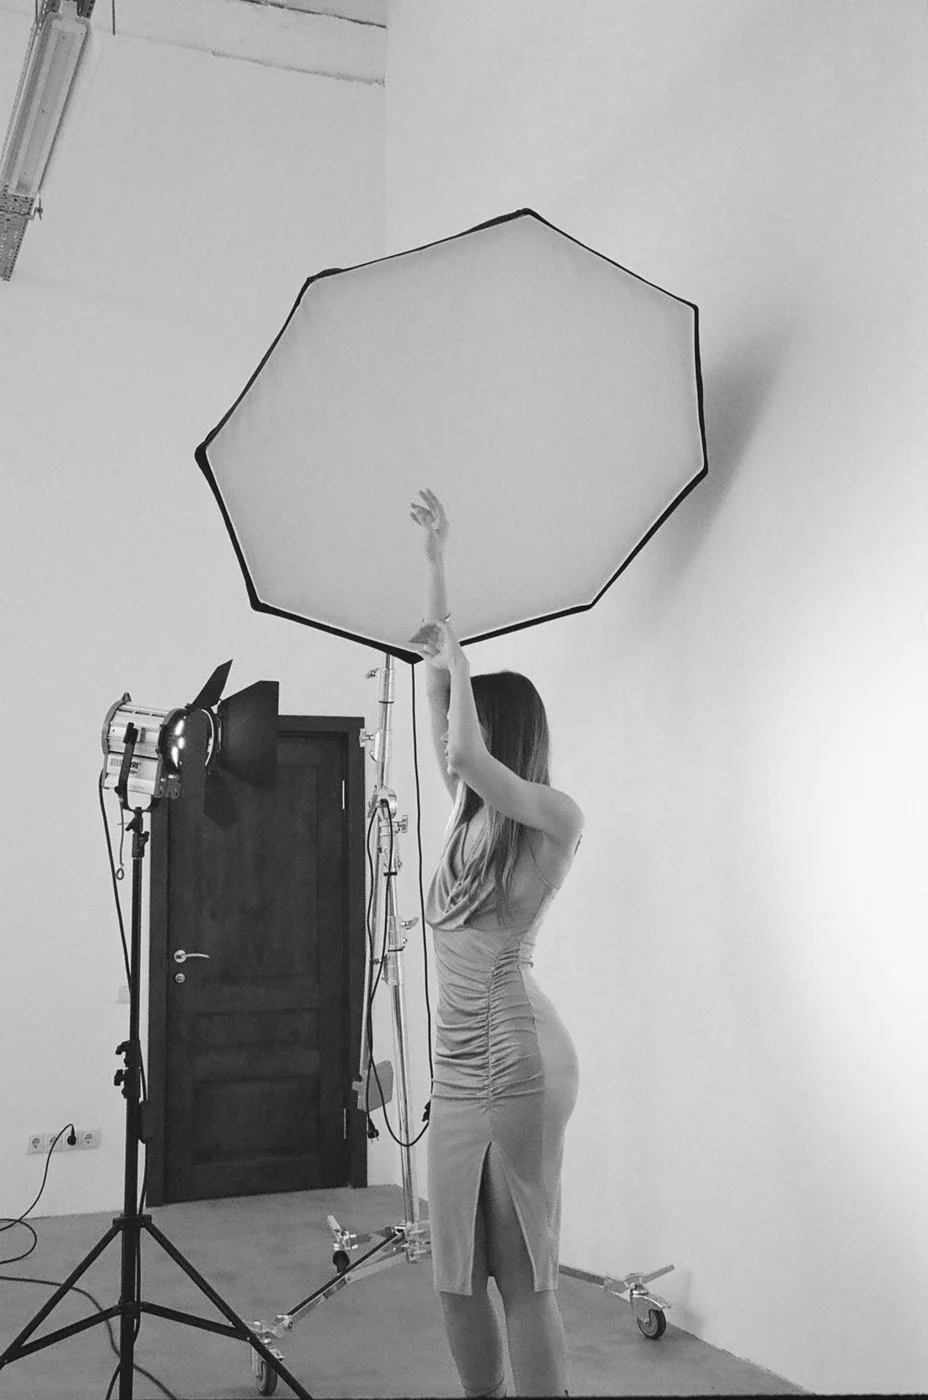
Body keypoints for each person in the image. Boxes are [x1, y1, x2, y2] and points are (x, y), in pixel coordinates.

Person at [408, 488, 584, 1399]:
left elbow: (468, 750)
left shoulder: (554, 817)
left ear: (504, 732)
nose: (445, 735)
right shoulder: (467, 819)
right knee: (452, 1273)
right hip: (454, 1068)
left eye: (465, 719)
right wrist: (440, 567)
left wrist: (465, 666)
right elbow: (435, 689)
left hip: (519, 1059)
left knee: (521, 1276)